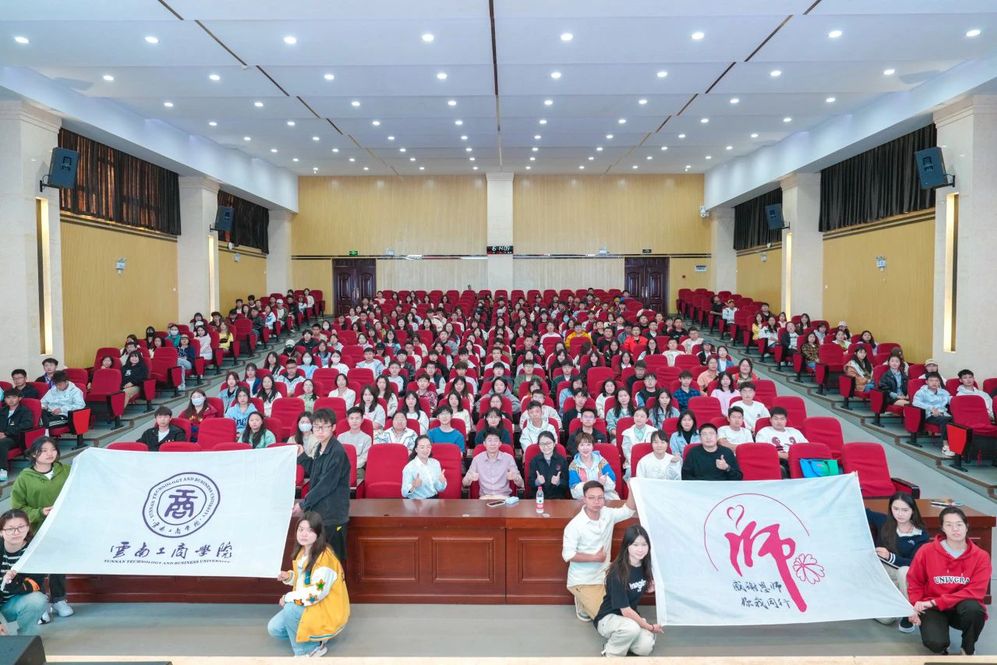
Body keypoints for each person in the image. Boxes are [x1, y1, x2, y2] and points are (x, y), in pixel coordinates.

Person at [907, 506, 990, 656]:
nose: (955, 529)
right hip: (933, 607)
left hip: (960, 606)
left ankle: (968, 648)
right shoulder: (926, 551)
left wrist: (936, 602)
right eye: (949, 525)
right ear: (942, 528)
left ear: (966, 527)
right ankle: (941, 644)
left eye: (959, 524)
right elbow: (915, 582)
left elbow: (975, 592)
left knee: (975, 610)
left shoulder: (981, 556)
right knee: (935, 643)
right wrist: (915, 606)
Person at [268, 512, 349, 658]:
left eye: (310, 530)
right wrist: (289, 577)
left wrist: (288, 597)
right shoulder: (303, 551)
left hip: (325, 607)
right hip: (312, 603)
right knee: (275, 628)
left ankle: (308, 651)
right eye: (301, 529)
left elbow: (316, 593)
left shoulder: (324, 559)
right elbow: (304, 580)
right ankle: (316, 637)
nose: (303, 534)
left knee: (291, 609)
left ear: (318, 534)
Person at [11, 437, 73, 619]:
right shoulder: (24, 478)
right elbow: (18, 508)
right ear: (33, 454)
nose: (49, 454)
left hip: (61, 527)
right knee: (37, 567)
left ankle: (59, 599)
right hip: (35, 530)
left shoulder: (66, 471)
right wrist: (39, 512)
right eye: (44, 450)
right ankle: (40, 604)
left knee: (58, 565)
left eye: (53, 449)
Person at [561, 479, 636, 621]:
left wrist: (631, 489)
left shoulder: (607, 513)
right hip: (584, 580)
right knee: (605, 617)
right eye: (591, 498)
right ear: (584, 499)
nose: (596, 502)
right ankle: (581, 600)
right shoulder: (575, 525)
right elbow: (568, 555)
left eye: (600, 498)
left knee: (623, 609)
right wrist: (594, 558)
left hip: (606, 575)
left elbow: (628, 511)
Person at [593, 524, 661, 657]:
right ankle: (610, 653)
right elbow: (626, 611)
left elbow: (636, 587)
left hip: (629, 620)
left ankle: (623, 640)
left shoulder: (645, 566)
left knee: (645, 648)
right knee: (631, 628)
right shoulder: (617, 572)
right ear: (627, 546)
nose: (640, 549)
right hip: (608, 619)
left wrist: (649, 588)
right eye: (635, 545)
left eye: (644, 544)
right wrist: (649, 627)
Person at [294, 409, 351, 563]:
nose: (320, 430)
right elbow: (315, 471)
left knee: (334, 559)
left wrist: (304, 503)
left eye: (324, 426)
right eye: (316, 427)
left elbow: (326, 485)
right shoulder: (320, 447)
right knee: (320, 558)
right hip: (321, 513)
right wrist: (302, 456)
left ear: (333, 427)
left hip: (333, 515)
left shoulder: (337, 452)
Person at [867, 493, 929, 631]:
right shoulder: (884, 521)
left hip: (905, 576)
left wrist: (890, 557)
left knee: (904, 571)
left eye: (905, 510)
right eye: (896, 509)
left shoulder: (921, 534)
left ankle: (908, 614)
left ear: (913, 511)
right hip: (883, 575)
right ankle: (881, 601)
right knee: (887, 620)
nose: (900, 514)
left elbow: (915, 564)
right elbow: (863, 511)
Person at [0, 509, 49, 635]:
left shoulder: (35, 551)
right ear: (1, 532)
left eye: (21, 527)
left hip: (12, 604)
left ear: (28, 528)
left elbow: (34, 584)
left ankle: (26, 638)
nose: (16, 532)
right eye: (10, 529)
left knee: (37, 600)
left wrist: (11, 581)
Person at [462, 429, 523, 499]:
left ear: (500, 443)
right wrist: (469, 478)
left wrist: (515, 477)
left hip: (503, 498)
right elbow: (464, 483)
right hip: (484, 498)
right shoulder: (477, 459)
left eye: (496, 440)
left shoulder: (508, 458)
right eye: (489, 440)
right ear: (484, 443)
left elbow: (521, 484)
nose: (492, 444)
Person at [912, 372, 954, 457]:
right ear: (926, 382)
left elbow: (952, 400)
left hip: (943, 414)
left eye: (936, 381)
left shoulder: (943, 392)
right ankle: (945, 446)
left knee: (955, 420)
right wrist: (931, 408)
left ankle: (957, 446)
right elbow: (915, 403)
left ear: (939, 382)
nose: (934, 383)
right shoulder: (921, 392)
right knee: (945, 420)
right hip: (929, 415)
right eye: (931, 380)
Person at [569, 434, 618, 500]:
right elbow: (574, 492)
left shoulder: (601, 461)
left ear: (592, 447)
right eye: (582, 445)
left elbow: (613, 482)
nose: (585, 448)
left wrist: (605, 482)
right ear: (577, 447)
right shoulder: (573, 466)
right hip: (584, 498)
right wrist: (597, 484)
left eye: (588, 445)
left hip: (605, 495)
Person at [0, 389, 34, 482]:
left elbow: (27, 424)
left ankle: (3, 470)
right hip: (2, 435)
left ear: (19, 398)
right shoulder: (2, 411)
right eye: (8, 398)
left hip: (15, 437)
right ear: (5, 399)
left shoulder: (25, 411)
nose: (11, 400)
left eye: (14, 397)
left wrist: (6, 433)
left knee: (2, 443)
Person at [401, 435, 447, 499]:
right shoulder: (409, 467)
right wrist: (413, 486)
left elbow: (440, 489)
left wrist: (442, 482)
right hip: (417, 502)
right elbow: (404, 493)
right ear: (416, 449)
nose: (426, 450)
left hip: (434, 500)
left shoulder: (435, 463)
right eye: (422, 447)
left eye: (428, 447)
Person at [527, 431, 569, 499]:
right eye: (542, 444)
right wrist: (537, 482)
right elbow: (529, 483)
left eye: (548, 443)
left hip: (557, 499)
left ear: (554, 444)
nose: (545, 446)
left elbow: (567, 484)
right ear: (539, 445)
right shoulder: (534, 461)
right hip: (539, 498)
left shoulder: (562, 460)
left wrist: (559, 482)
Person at [620, 408, 654, 476]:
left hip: (650, 461)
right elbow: (626, 451)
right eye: (636, 415)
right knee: (630, 473)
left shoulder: (653, 432)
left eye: (642, 416)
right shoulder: (627, 433)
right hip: (631, 461)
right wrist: (634, 461)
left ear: (647, 419)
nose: (639, 418)